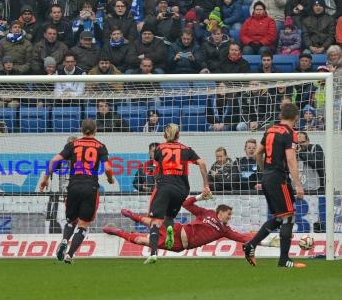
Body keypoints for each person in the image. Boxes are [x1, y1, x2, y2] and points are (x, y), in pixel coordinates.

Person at [39, 119, 114, 264]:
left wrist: (45, 178)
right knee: (83, 224)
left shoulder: (72, 145)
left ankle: (65, 240)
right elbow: (108, 168)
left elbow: (54, 160)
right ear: (95, 130)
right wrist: (110, 179)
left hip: (73, 186)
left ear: (81, 130)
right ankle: (70, 255)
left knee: (71, 220)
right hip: (90, 187)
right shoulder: (100, 146)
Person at [242, 103, 306, 268]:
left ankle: (251, 244)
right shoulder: (290, 133)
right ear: (296, 117)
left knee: (279, 218)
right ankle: (284, 260)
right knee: (289, 215)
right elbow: (291, 161)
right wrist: (298, 185)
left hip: (268, 178)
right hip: (279, 178)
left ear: (280, 116)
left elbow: (257, 153)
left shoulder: (270, 130)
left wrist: (265, 172)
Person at [105, 195, 278, 251]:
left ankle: (117, 232)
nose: (229, 217)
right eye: (228, 214)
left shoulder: (225, 230)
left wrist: (262, 241)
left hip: (181, 245)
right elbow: (186, 204)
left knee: (144, 240)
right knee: (154, 222)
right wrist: (201, 196)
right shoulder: (207, 213)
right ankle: (131, 215)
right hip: (181, 230)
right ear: (220, 211)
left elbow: (242, 238)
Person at [144, 123, 210, 264]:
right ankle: (170, 227)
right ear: (178, 135)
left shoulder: (159, 148)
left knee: (155, 221)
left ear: (164, 135)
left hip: (165, 187)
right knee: (169, 216)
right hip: (181, 190)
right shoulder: (186, 149)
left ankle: (154, 254)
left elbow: (155, 170)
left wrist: (157, 179)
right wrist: (206, 186)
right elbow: (202, 163)